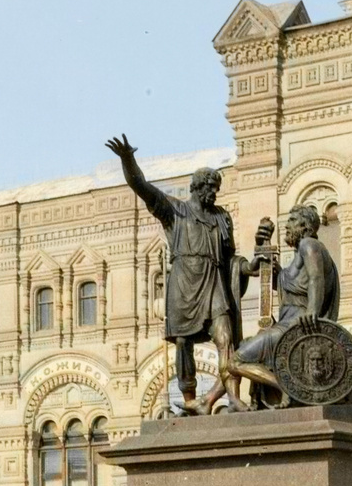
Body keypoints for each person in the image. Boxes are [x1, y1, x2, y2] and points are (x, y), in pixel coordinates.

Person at [105, 134, 271, 415]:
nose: (214, 193)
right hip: (184, 285)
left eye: (216, 189)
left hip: (214, 282)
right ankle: (192, 400)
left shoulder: (221, 217)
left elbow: (231, 258)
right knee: (184, 344)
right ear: (197, 187)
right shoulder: (175, 211)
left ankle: (233, 397)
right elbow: (141, 186)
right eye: (210, 187)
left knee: (225, 338)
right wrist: (127, 159)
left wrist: (250, 267)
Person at [222, 205, 340, 410]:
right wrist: (269, 262)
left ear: (306, 226)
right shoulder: (299, 254)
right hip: (288, 323)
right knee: (244, 346)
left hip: (296, 325)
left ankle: (285, 386)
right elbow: (294, 289)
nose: (287, 225)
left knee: (235, 361)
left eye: (293, 220)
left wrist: (313, 310)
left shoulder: (309, 245)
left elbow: (316, 278)